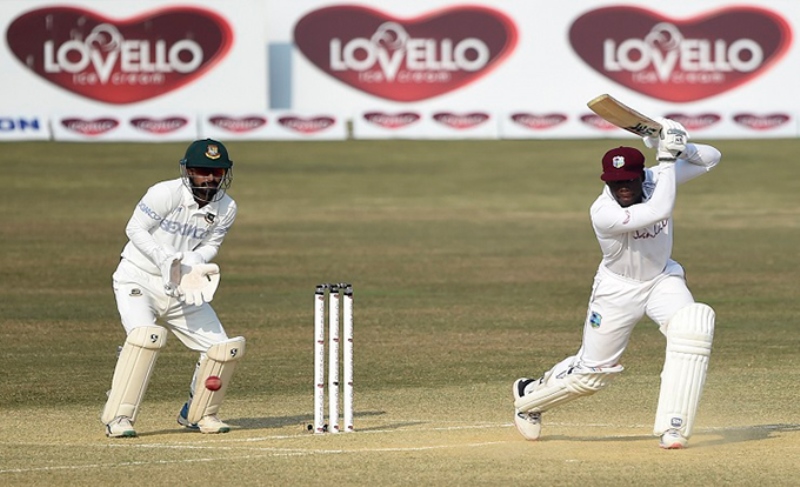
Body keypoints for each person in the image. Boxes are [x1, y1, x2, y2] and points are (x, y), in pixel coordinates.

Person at [512, 119, 721, 449]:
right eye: (615, 182)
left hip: (661, 279)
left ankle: (673, 426)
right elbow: (659, 209)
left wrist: (673, 144)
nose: (622, 188)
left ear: (641, 176)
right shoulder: (603, 212)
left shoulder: (655, 178)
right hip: (617, 290)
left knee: (692, 326)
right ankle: (530, 398)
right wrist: (667, 159)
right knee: (591, 377)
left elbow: (711, 157)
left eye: (628, 181)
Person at [101, 139, 245, 438]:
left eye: (217, 171)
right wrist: (163, 257)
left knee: (222, 350)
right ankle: (119, 418)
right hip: (138, 277)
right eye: (202, 171)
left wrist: (194, 260)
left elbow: (212, 244)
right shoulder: (164, 192)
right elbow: (134, 229)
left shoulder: (226, 207)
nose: (210, 178)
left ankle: (199, 413)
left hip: (183, 286)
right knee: (144, 340)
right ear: (188, 171)